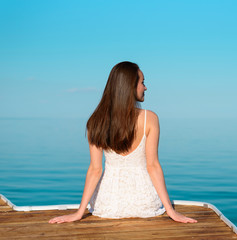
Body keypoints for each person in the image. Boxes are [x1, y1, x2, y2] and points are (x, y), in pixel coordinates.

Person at [49, 61, 197, 224]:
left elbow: (95, 169)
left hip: (108, 204)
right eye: (142, 82)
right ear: (130, 87)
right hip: (144, 203)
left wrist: (79, 212)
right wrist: (171, 211)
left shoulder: (96, 121)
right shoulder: (150, 118)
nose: (145, 87)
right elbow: (152, 165)